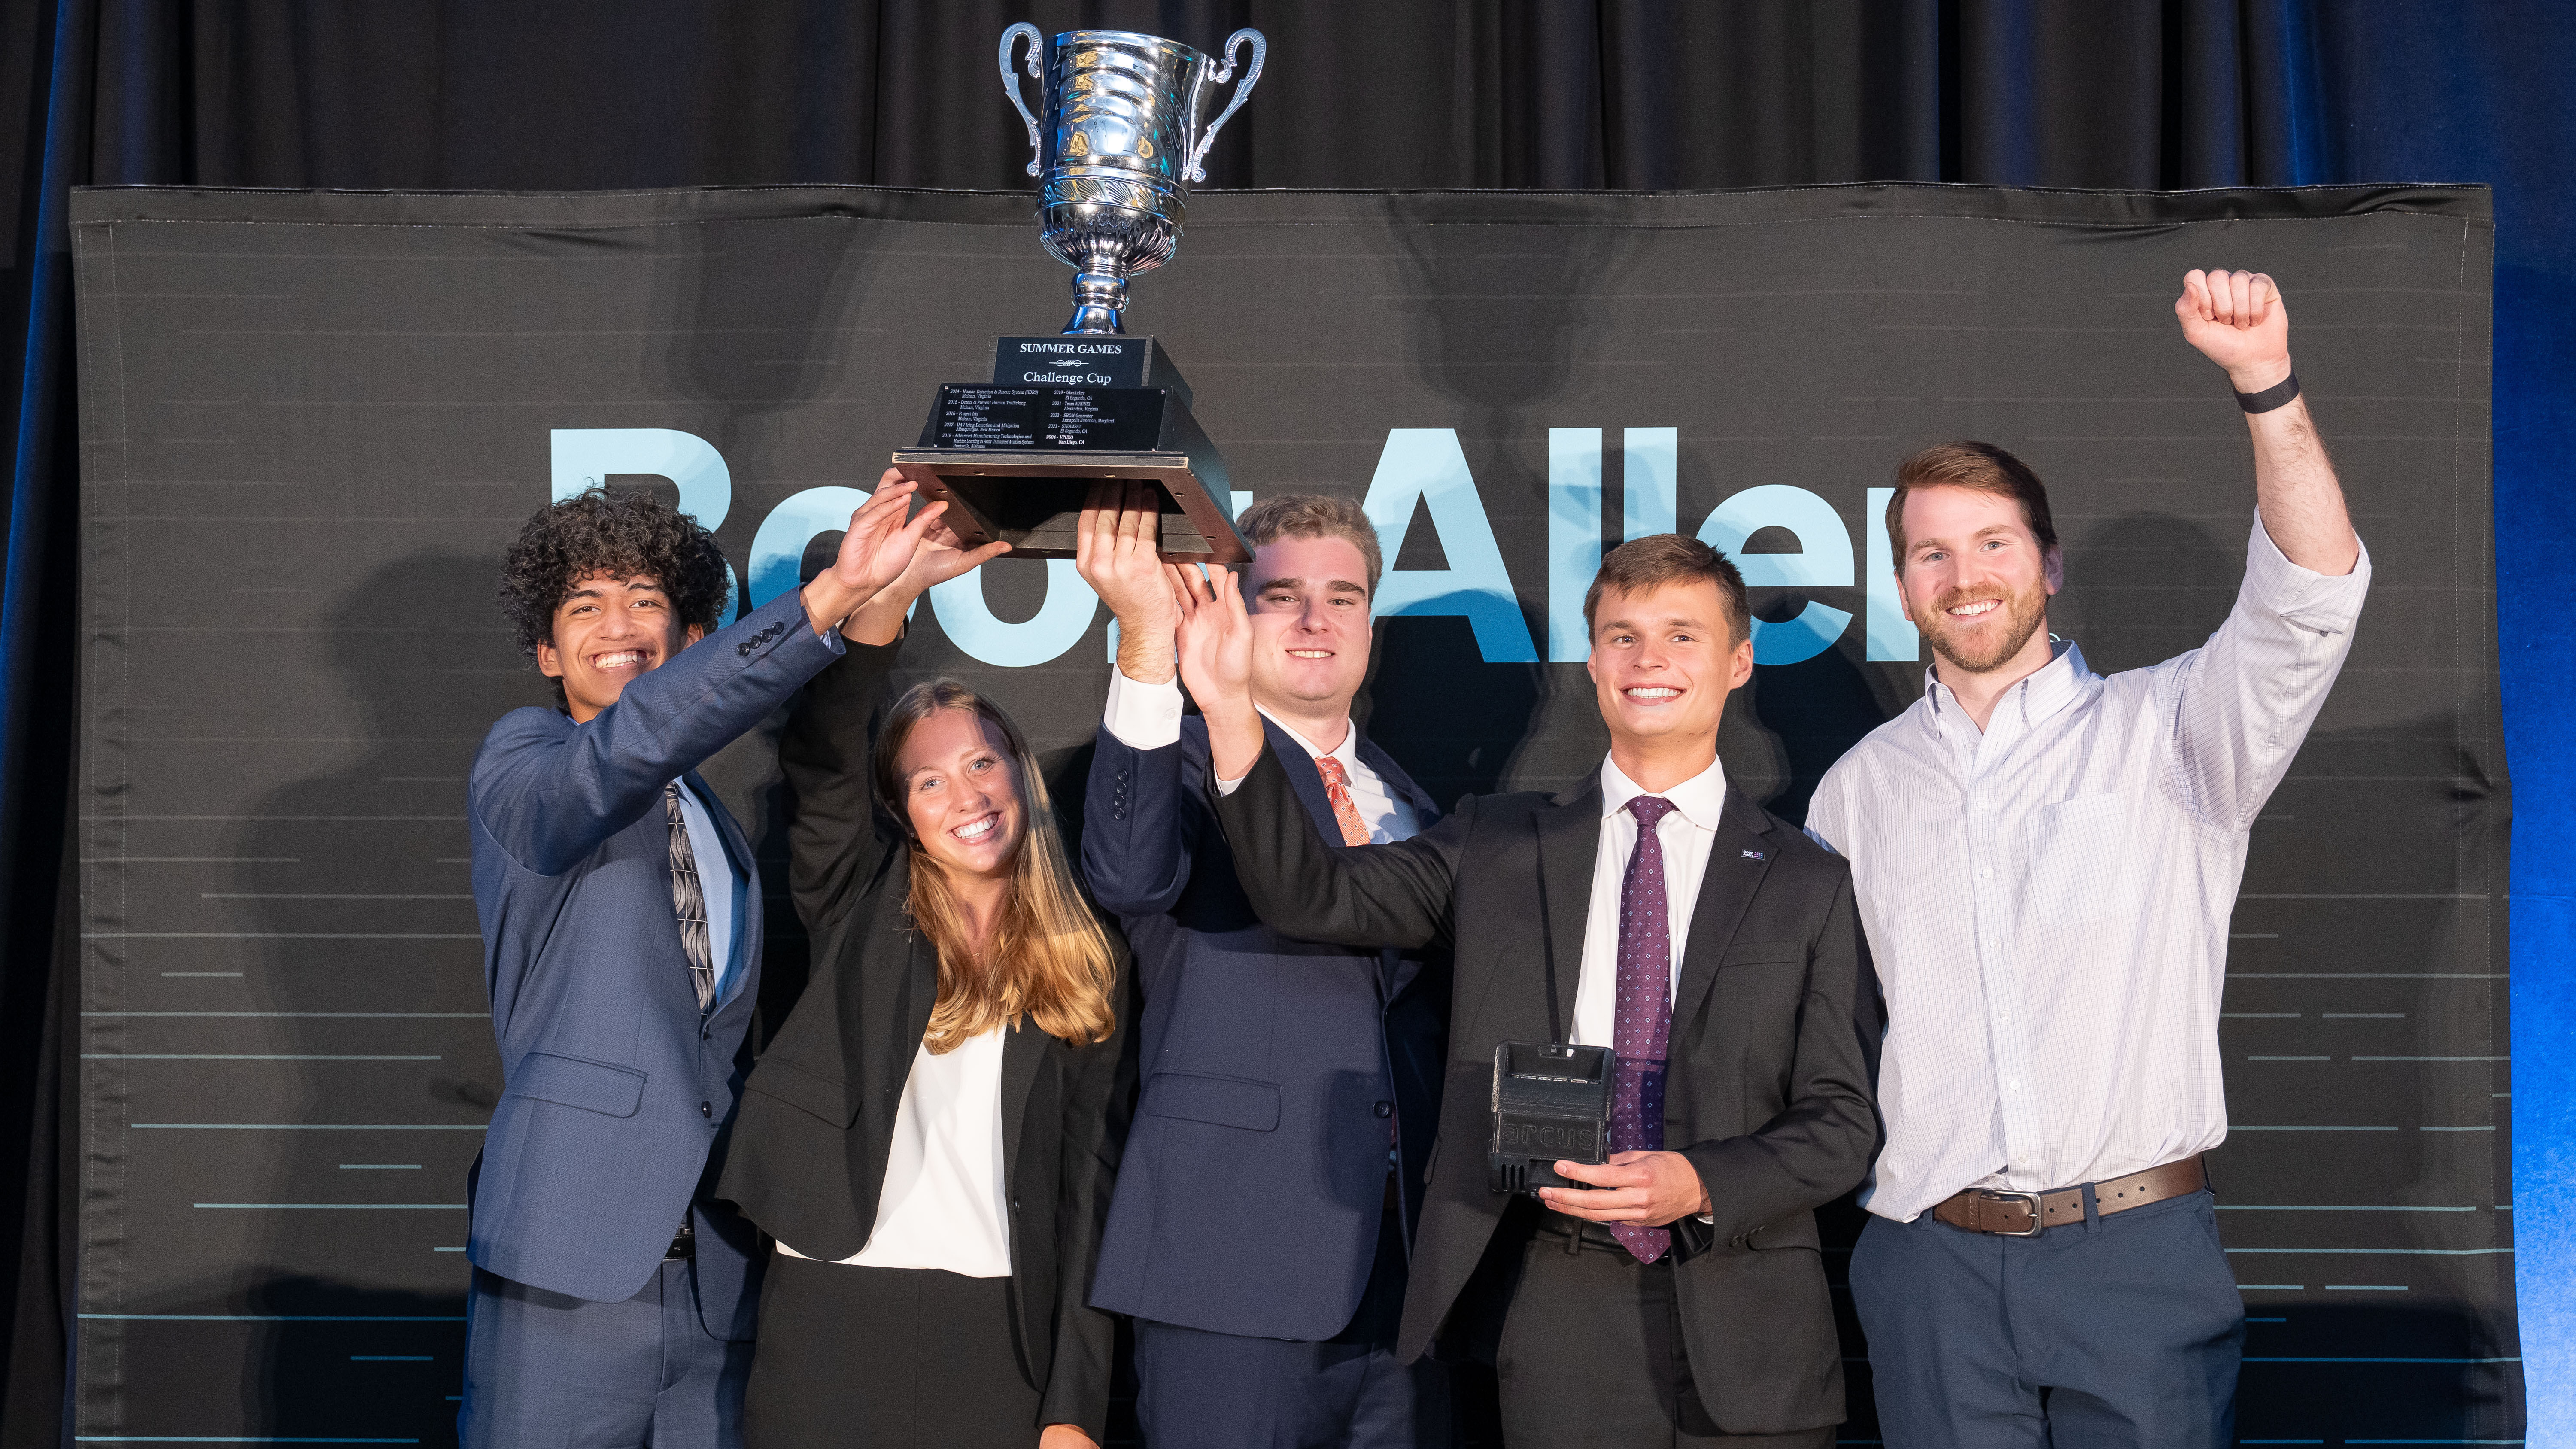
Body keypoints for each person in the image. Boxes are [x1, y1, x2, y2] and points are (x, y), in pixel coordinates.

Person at [1802, 270, 2369, 1448]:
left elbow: (2309, 597)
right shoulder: (1857, 791)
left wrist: (2266, 382)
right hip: (1929, 1268)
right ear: (1901, 583)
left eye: (1994, 543)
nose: (1966, 577)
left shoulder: (2177, 728)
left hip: (2138, 1263)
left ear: (2049, 566)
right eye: (1931, 554)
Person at [1174, 531, 1879, 1448]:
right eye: (1623, 635)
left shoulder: (1805, 879)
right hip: (1555, 1313)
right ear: (1592, 662)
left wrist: (1702, 1178)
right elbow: (1311, 893)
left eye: (1681, 634)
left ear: (1739, 662)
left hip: (1750, 1324)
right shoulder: (1496, 844)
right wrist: (1229, 710)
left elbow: (1842, 1120)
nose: (1648, 659)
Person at [460, 480, 955, 1448]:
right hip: (570, 1265)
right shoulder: (526, 766)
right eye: (585, 606)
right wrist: (823, 602)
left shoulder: (713, 824)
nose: (621, 624)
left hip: (718, 1276)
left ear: (692, 641)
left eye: (648, 600)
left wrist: (880, 607)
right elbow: (628, 748)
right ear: (547, 652)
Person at [717, 468, 1133, 1449]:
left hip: (998, 1333)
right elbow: (823, 761)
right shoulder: (858, 903)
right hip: (830, 1308)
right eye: (930, 780)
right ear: (903, 814)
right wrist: (888, 601)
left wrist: (1075, 1400)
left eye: (983, 762)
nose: (967, 795)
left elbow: (1089, 1188)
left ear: (1021, 776)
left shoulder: (1089, 959)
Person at [1071, 484, 1455, 1447]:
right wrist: (1152, 652)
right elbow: (1126, 872)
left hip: (1404, 1291)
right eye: (1282, 595)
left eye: (1345, 594)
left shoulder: (1419, 804)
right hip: (1229, 1274)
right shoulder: (1183, 767)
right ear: (1235, 612)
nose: (1317, 619)